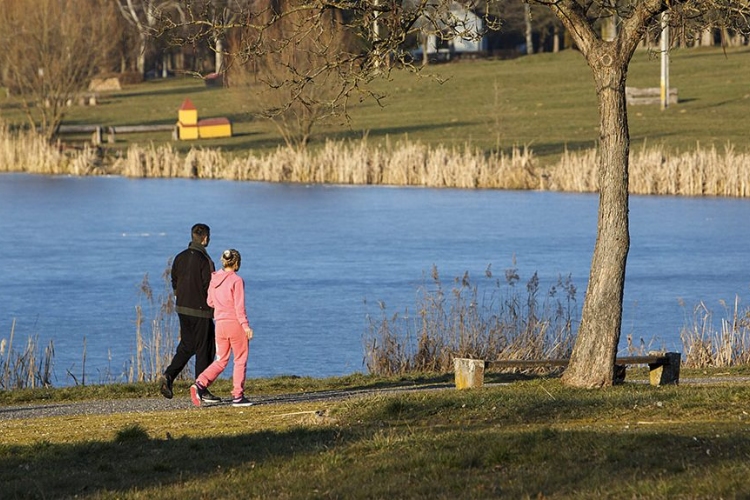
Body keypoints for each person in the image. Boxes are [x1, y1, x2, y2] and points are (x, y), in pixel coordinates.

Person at [158, 223, 221, 404]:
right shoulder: (205, 260)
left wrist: (180, 296)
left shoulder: (180, 257)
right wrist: (214, 307)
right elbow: (209, 287)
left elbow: (174, 280)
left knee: (187, 346)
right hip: (201, 311)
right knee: (205, 348)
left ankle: (169, 376)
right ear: (205, 238)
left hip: (182, 308)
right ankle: (201, 388)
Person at [191, 248, 254, 407]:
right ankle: (238, 396)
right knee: (240, 359)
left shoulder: (214, 279)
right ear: (237, 263)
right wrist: (246, 326)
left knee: (220, 360)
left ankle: (200, 383)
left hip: (220, 324)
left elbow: (209, 302)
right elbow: (239, 308)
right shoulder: (236, 280)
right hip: (235, 324)